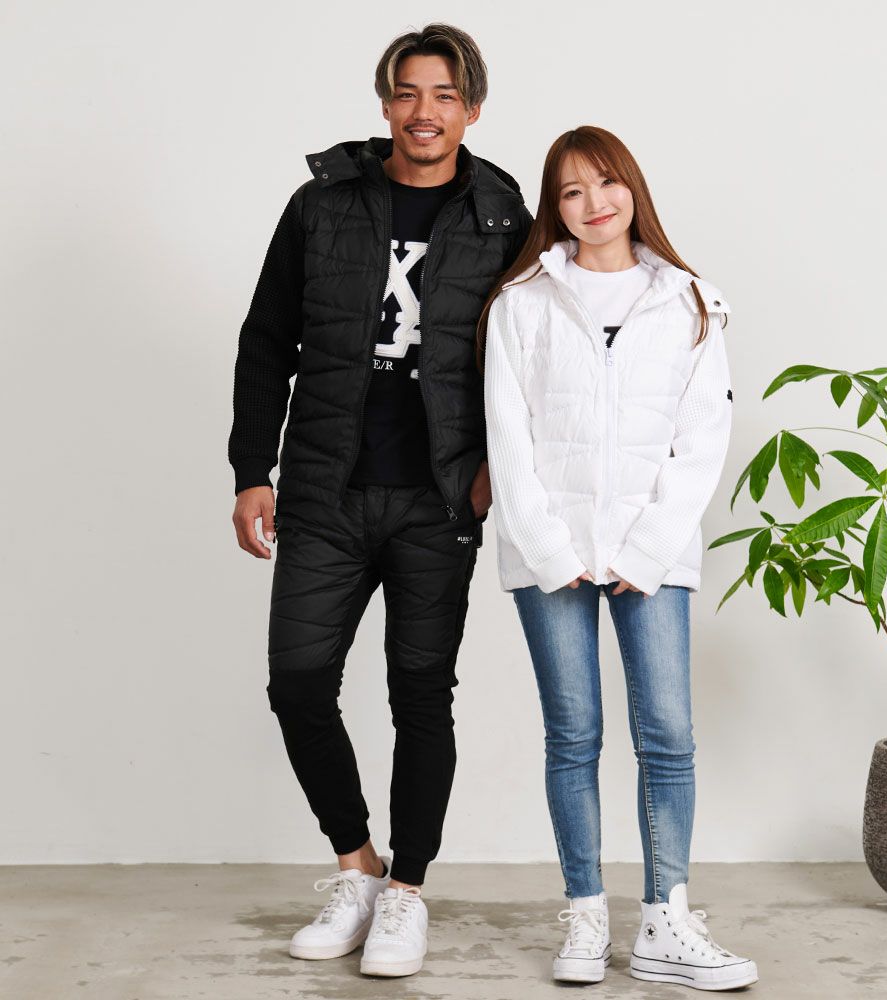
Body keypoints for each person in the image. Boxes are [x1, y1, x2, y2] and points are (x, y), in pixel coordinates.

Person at [227, 24, 531, 979]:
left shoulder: (503, 214)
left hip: (438, 498)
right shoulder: (322, 205)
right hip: (325, 490)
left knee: (420, 696)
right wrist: (251, 470)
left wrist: (497, 469)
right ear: (386, 103)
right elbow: (266, 339)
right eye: (407, 93)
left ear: (471, 108)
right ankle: (358, 867)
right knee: (298, 683)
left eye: (443, 95)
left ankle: (407, 893)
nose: (423, 112)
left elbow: (530, 357)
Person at [480, 125, 758, 990]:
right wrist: (549, 548)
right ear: (553, 207)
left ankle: (667, 920)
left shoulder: (691, 301)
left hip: (654, 552)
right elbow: (508, 435)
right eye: (571, 191)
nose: (593, 204)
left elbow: (702, 439)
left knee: (667, 737)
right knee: (574, 736)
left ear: (632, 187)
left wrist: (647, 548)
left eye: (606, 183)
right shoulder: (522, 301)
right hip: (549, 552)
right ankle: (585, 916)